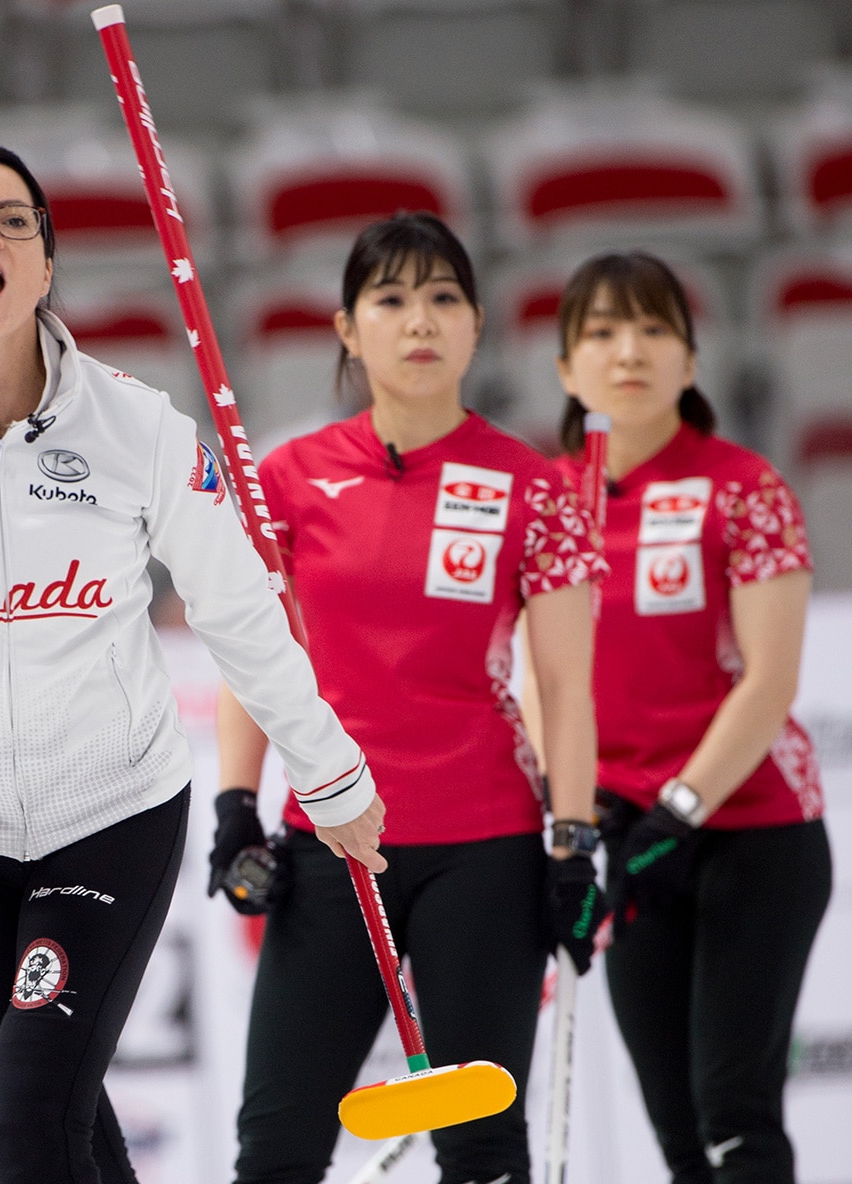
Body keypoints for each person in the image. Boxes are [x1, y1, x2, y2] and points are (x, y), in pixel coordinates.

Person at [0, 141, 386, 1184]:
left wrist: (330, 769)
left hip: (109, 812)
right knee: (65, 1123)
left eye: (13, 220)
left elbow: (241, 607)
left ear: (45, 264)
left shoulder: (140, 425)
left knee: (28, 1125)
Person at [208, 211, 608, 1184]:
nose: (418, 321)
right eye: (390, 299)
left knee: (478, 1149)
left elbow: (564, 683)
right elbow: (257, 661)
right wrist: (234, 808)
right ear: (348, 327)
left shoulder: (534, 486)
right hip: (333, 840)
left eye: (442, 298)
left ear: (476, 325)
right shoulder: (287, 483)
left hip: (486, 849)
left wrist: (572, 836)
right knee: (277, 1147)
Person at [551, 251, 832, 1183]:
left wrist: (676, 813)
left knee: (734, 1118)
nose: (627, 350)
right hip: (630, 841)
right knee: (679, 1139)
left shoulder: (745, 488)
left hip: (750, 832)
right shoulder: (551, 506)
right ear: (565, 366)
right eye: (600, 331)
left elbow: (770, 682)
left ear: (691, 358)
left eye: (654, 328)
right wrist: (578, 828)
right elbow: (541, 686)